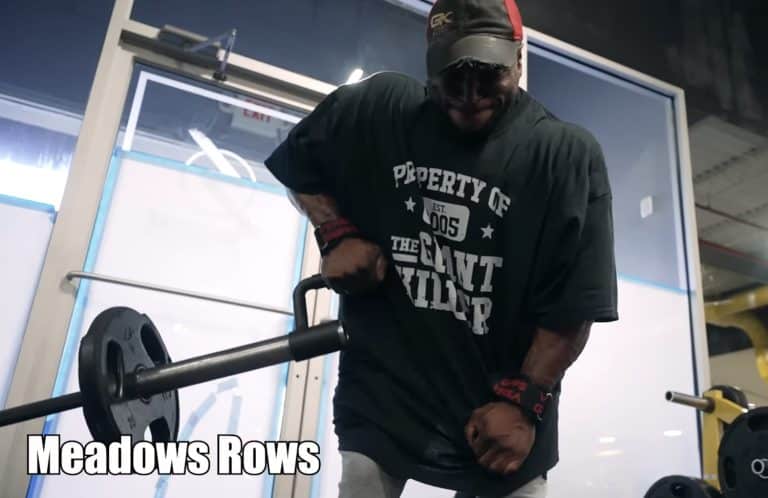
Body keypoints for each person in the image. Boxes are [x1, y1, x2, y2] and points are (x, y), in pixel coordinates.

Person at [265, 0, 618, 496]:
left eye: (489, 74)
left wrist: (525, 401)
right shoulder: (379, 108)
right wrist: (336, 233)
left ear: (518, 60)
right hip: (385, 399)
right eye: (453, 76)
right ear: (429, 63)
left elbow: (573, 305)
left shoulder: (564, 155)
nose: (470, 96)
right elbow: (300, 166)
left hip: (499, 411)